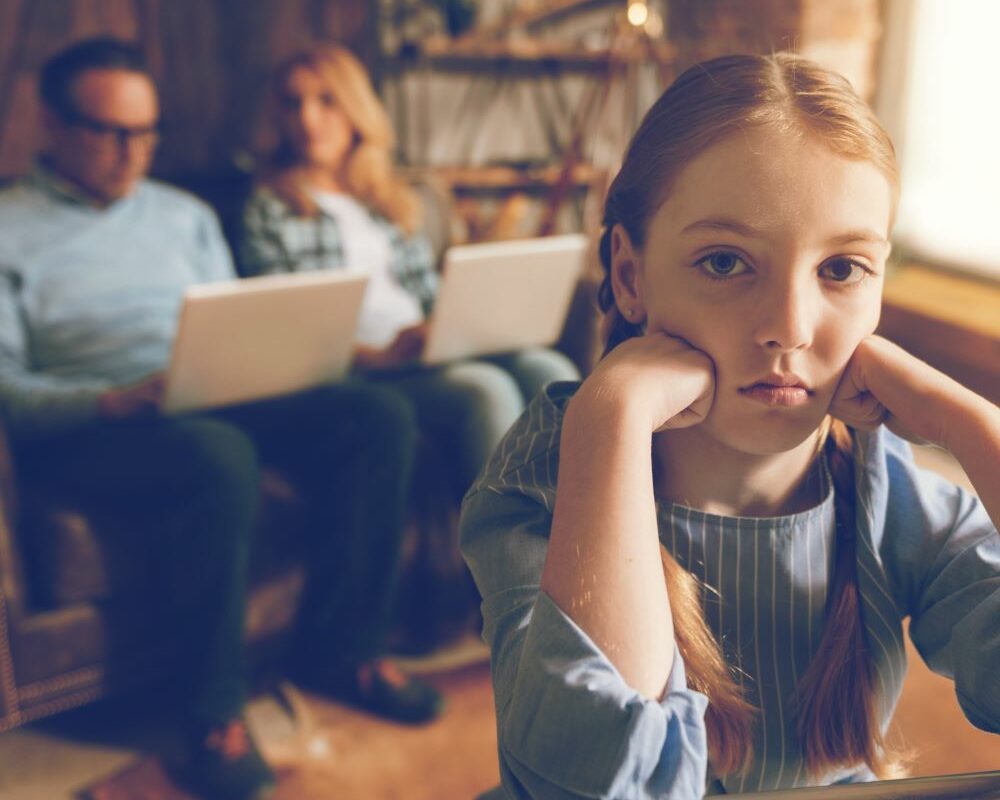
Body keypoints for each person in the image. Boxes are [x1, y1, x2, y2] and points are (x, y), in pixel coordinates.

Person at [459, 52, 1000, 798]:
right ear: (629, 276)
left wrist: (973, 425)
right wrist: (608, 418)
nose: (789, 329)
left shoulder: (888, 492)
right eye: (724, 262)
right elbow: (595, 783)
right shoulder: (544, 481)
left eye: (841, 269)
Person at [0, 37, 441, 800]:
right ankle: (213, 718)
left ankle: (348, 647)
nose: (132, 153)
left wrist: (260, 361)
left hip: (205, 388)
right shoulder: (11, 227)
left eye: (146, 133)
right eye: (111, 133)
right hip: (101, 417)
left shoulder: (184, 214)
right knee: (217, 454)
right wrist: (108, 400)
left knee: (374, 416)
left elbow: (235, 317)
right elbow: (8, 388)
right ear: (49, 124)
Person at [240, 44, 580, 493]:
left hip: (424, 347)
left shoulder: (388, 201)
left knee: (550, 369)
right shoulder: (272, 207)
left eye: (326, 100)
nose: (307, 118)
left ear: (355, 110)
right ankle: (510, 558)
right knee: (486, 389)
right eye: (292, 102)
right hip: (367, 367)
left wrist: (452, 327)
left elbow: (428, 293)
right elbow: (287, 327)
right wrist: (378, 355)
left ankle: (590, 532)